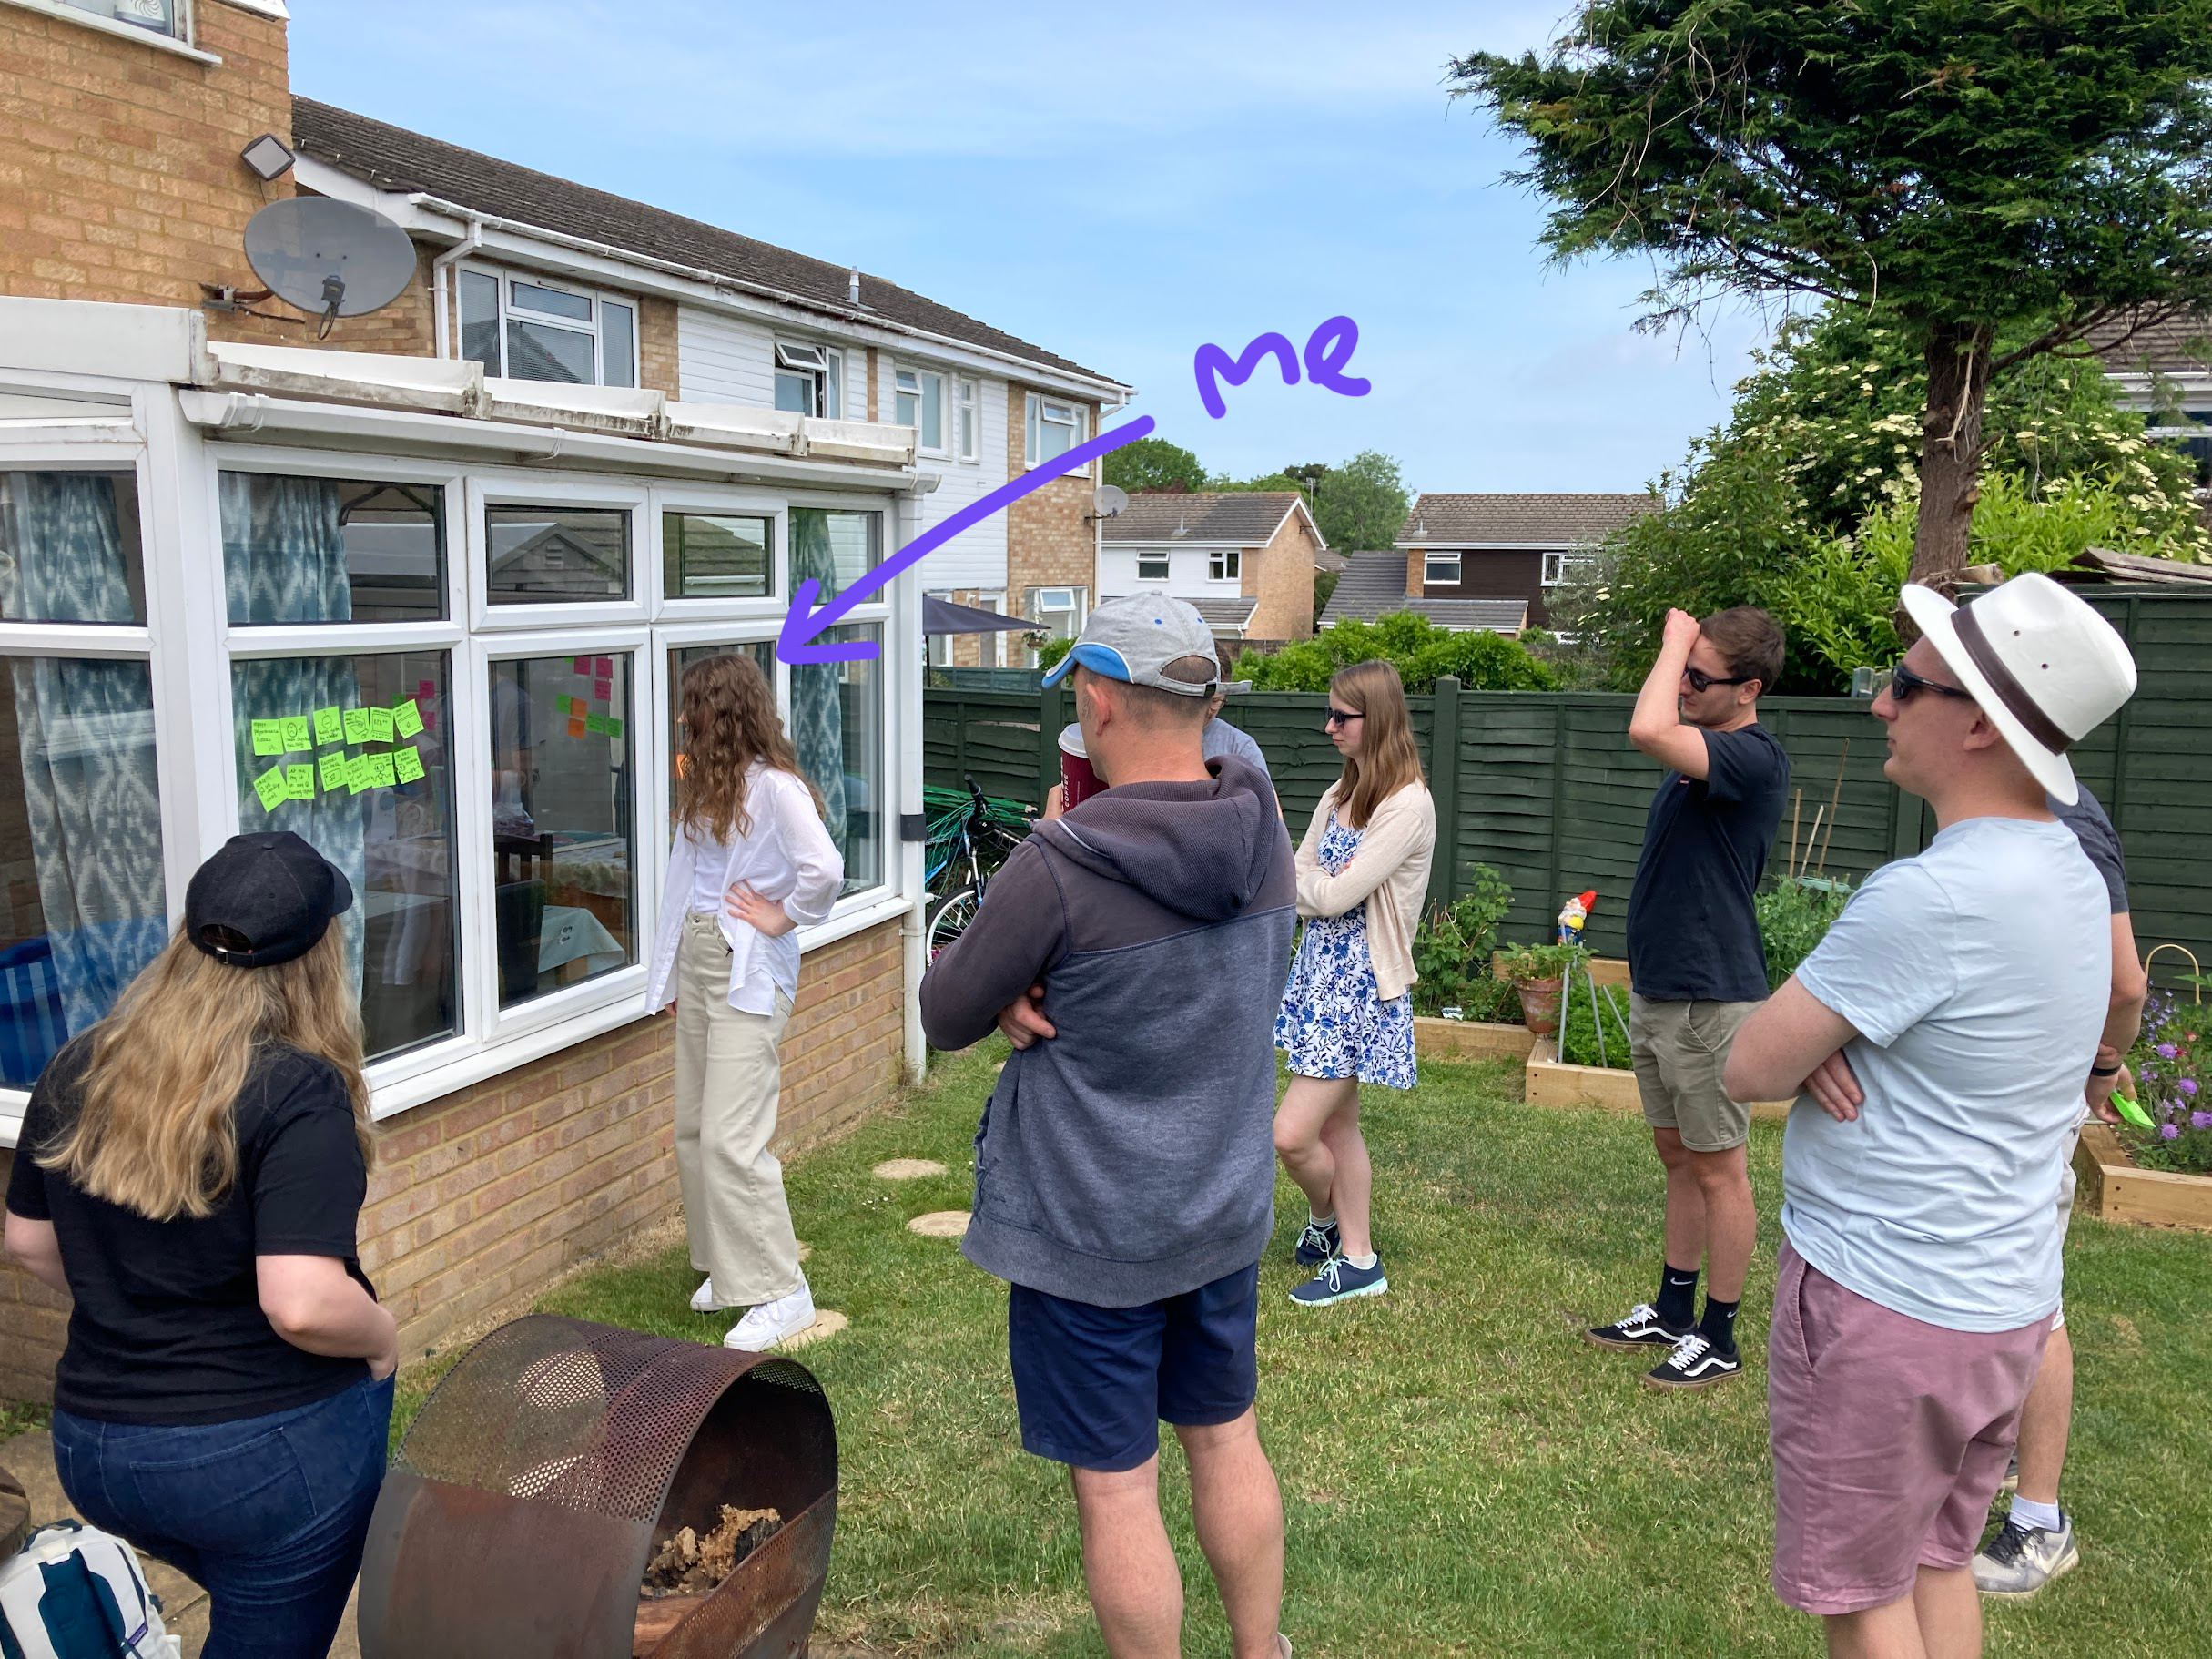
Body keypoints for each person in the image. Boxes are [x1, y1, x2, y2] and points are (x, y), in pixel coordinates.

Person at [1723, 573, 2137, 1658]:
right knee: (1937, 1560)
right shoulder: (2070, 873)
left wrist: (1824, 1038)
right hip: (2000, 1306)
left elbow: (1749, 1064)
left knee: (1862, 1596)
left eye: (1910, 684)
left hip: (1886, 1305)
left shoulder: (1931, 894)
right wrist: (1839, 1033)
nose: (1881, 703)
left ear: (1984, 730)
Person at [919, 594, 1296, 1659]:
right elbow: (1231, 757)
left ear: (1093, 695)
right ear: (1211, 702)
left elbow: (943, 1012)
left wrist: (1000, 982)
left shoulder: (1062, 865)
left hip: (1091, 1236)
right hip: (1219, 1214)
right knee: (1228, 1440)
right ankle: (1262, 1650)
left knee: (1120, 1487)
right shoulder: (1263, 827)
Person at [3, 832, 397, 1659]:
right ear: (318, 960)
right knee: (270, 1596)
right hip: (256, 1456)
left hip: (95, 1448)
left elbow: (26, 1240)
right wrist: (382, 1340)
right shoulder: (300, 1091)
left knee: (249, 1577)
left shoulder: (82, 1065)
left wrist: (130, 1302)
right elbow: (299, 1300)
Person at [1587, 606, 1789, 1389]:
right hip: (1666, 988)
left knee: (1720, 1169)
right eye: (1685, 671)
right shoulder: (1704, 758)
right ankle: (1673, 1309)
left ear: (1750, 689)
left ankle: (1721, 1333)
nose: (1685, 687)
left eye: (1701, 677)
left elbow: (1646, 727)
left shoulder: (1753, 755)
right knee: (1679, 1158)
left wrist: (1672, 642)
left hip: (1710, 997)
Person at [1968, 782, 2145, 1594]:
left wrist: (2102, 1067)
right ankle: (1999, 1461)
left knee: (2037, 1302)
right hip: (2001, 1100)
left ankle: (2041, 1523)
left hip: (2036, 1103)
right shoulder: (2015, 803)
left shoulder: (2066, 815)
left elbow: (2128, 984)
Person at [646, 653, 843, 1351]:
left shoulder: (775, 789)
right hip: (703, 962)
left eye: (691, 707)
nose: (680, 720)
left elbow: (826, 868)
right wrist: (671, 976)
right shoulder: (710, 786)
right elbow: (686, 883)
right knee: (694, 1129)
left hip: (745, 966)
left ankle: (781, 1290)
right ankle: (728, 1270)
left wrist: (782, 915)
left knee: (733, 1139)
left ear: (721, 713)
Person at [1272, 660, 1436, 1308]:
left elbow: (1333, 892)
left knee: (1291, 1134)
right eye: (1331, 713)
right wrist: (1309, 888)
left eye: (1343, 716)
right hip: (1320, 976)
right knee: (1338, 1129)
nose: (1329, 725)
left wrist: (1305, 891)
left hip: (1361, 987)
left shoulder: (1408, 804)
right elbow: (1300, 867)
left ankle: (1341, 1233)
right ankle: (1351, 1249)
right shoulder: (1340, 794)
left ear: (1379, 720)